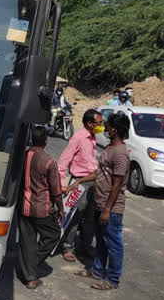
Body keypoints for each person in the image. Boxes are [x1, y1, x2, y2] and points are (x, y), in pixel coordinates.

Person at [68, 112, 131, 290]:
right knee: (102, 241)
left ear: (115, 130)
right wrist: (80, 180)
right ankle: (96, 269)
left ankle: (112, 279)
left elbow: (117, 184)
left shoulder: (120, 153)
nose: (105, 128)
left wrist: (107, 209)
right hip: (100, 203)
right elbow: (100, 173)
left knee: (113, 243)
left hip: (110, 207)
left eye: (108, 125)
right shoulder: (110, 148)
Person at [17, 125, 64, 289]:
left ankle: (29, 273)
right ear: (46, 140)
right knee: (53, 235)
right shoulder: (49, 161)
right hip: (42, 208)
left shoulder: (23, 156)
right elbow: (56, 190)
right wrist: (61, 209)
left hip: (23, 207)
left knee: (27, 240)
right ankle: (30, 264)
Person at [57, 109, 103, 262]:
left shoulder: (93, 138)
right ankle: (68, 247)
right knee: (75, 217)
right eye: (99, 123)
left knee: (90, 217)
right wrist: (63, 184)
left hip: (92, 182)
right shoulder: (78, 138)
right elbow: (62, 162)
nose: (101, 126)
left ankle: (85, 245)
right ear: (89, 123)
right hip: (79, 182)